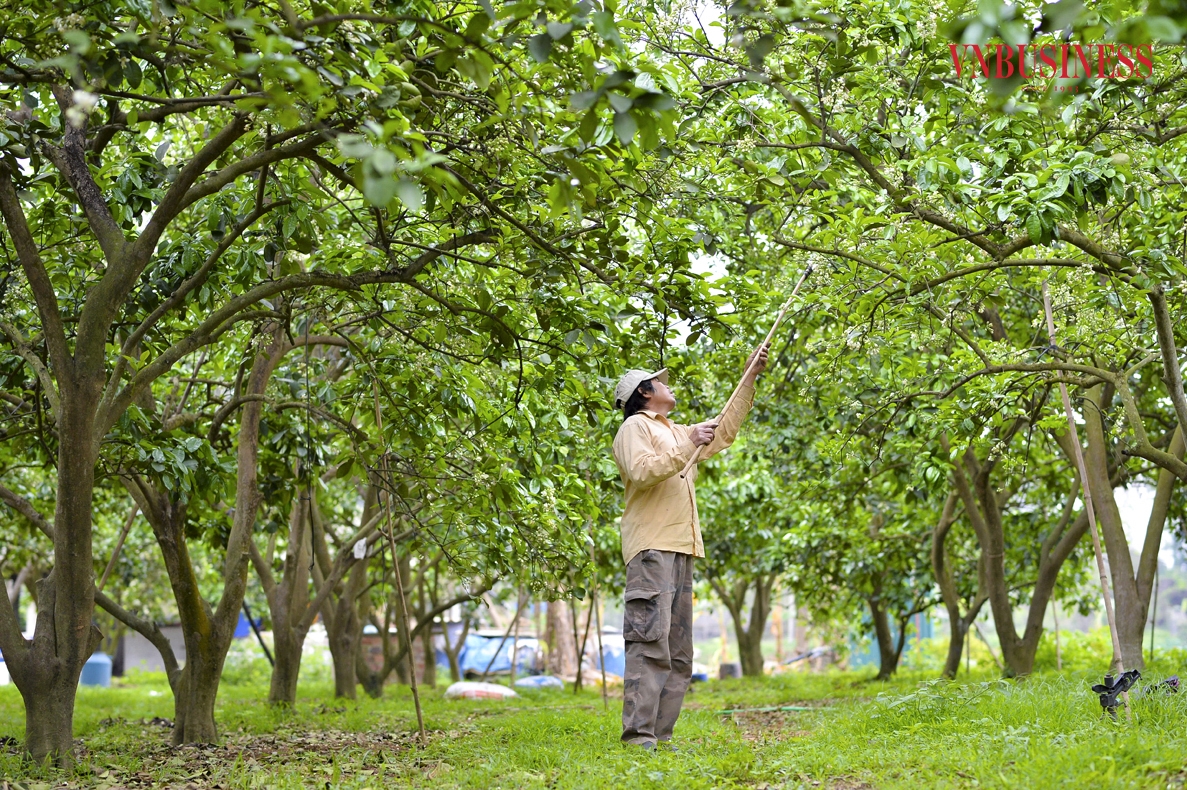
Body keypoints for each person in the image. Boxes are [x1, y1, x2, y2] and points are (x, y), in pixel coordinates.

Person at [610, 342, 770, 750]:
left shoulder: (676, 431)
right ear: (645, 392)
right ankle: (638, 738)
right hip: (651, 548)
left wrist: (750, 374)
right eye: (661, 381)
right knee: (649, 643)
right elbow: (642, 471)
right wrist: (688, 443)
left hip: (681, 548)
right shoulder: (635, 429)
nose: (669, 385)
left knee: (679, 653)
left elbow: (725, 430)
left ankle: (660, 737)